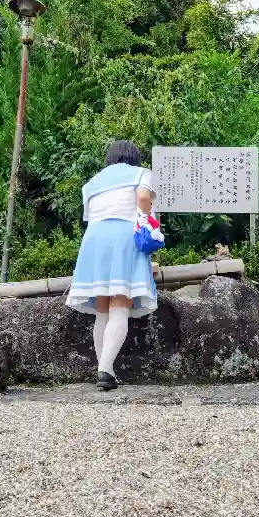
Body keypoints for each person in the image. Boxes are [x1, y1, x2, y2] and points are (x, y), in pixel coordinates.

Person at [66, 140, 157, 390]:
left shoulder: (92, 182)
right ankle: (105, 370)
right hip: (123, 236)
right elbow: (143, 197)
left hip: (94, 240)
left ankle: (105, 369)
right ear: (135, 158)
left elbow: (91, 216)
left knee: (102, 308)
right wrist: (146, 219)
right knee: (120, 304)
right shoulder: (141, 173)